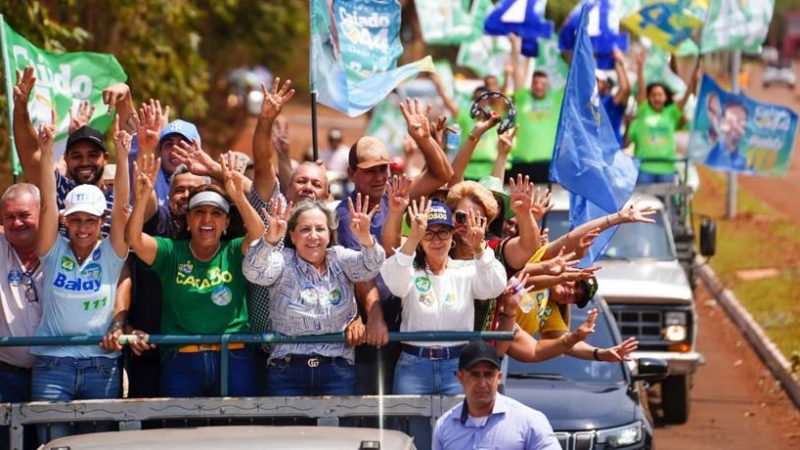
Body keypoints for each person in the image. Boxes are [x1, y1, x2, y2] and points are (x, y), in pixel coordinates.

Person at [339, 98, 453, 398]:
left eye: (383, 169)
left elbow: (442, 175)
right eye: (370, 171)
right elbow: (360, 271)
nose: (379, 177)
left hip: (406, 316)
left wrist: (423, 138)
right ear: (351, 174)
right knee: (371, 408)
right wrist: (374, 313)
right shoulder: (346, 213)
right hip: (368, 324)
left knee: (404, 408)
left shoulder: (395, 195)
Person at [125, 153, 265, 398]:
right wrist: (141, 198)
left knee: (239, 432)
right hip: (183, 362)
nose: (207, 220)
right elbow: (134, 239)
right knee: (180, 434)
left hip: (233, 358)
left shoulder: (233, 251)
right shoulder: (170, 252)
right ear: (188, 219)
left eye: (216, 213)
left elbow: (259, 234)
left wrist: (238, 197)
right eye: (199, 212)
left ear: (225, 222)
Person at [31, 118, 130, 443]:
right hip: (53, 364)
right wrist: (46, 152)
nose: (83, 227)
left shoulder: (112, 252)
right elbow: (47, 203)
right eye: (75, 220)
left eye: (90, 220)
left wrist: (123, 154)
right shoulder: (52, 249)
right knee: (51, 443)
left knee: (98, 446)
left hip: (101, 365)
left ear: (101, 221)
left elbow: (122, 213)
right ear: (65, 221)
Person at [381, 198, 506, 450]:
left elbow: (495, 286)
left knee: (461, 438)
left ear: (453, 236)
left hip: (457, 366)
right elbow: (393, 283)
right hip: (414, 365)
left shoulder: (466, 269)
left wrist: (480, 248)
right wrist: (411, 240)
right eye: (429, 233)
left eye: (443, 232)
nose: (437, 240)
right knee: (413, 440)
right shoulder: (409, 269)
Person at [242, 197, 385, 395]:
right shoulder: (282, 261)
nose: (313, 236)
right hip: (287, 370)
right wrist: (270, 240)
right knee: (290, 426)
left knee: (338, 428)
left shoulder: (340, 258)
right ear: (292, 235)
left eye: (320, 229)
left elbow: (371, 267)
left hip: (337, 370)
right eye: (304, 229)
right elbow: (253, 271)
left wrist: (366, 239)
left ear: (329, 233)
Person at [433, 341, 561, 450]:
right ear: (460, 377)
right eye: (474, 374)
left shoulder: (529, 422)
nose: (482, 383)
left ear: (498, 377)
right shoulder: (445, 426)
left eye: (488, 374)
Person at [0, 184, 43, 450]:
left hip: (56, 374)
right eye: (9, 216)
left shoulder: (66, 246)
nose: (17, 222)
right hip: (6, 375)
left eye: (24, 215)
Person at [627, 51, 699, 184]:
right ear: (649, 98)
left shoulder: (671, 113)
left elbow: (685, 98)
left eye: (660, 95)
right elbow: (642, 89)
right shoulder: (644, 111)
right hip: (645, 169)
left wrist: (693, 81)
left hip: (667, 169)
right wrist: (640, 68)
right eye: (653, 95)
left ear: (666, 97)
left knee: (667, 204)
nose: (657, 98)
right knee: (645, 204)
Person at [509, 34, 565, 183]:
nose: (539, 86)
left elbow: (574, 78)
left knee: (545, 205)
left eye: (543, 84)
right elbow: (517, 72)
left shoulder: (557, 99)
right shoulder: (523, 97)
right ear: (531, 84)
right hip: (521, 161)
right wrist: (515, 46)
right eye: (536, 83)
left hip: (547, 163)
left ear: (548, 86)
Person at [704, 100, 751, 172]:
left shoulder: (746, 162)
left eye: (742, 122)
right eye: (732, 121)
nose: (737, 126)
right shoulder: (706, 152)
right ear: (722, 122)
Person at [598, 49, 632, 147]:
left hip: (612, 151)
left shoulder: (609, 102)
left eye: (599, 80)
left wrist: (619, 63)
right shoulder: (591, 100)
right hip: (595, 151)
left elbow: (626, 89)